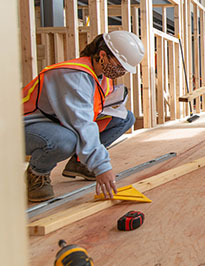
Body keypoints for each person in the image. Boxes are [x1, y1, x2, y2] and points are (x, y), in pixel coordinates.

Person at [23, 31, 145, 202]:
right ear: (102, 55)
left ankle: (79, 163)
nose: (121, 71)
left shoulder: (101, 76)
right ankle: (36, 174)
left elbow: (91, 112)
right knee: (66, 140)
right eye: (120, 65)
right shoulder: (74, 76)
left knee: (124, 118)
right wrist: (102, 166)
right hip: (23, 127)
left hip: (55, 122)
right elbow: (82, 124)